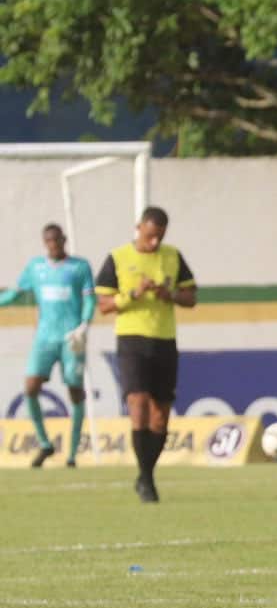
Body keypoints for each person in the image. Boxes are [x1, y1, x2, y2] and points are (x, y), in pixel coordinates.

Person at [94, 207, 197, 502]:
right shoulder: (118, 257)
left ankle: (145, 474)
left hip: (164, 340)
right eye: (150, 236)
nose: (154, 243)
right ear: (138, 227)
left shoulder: (173, 256)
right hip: (132, 340)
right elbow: (103, 305)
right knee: (138, 402)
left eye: (159, 237)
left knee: (161, 414)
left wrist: (170, 295)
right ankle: (147, 480)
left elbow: (191, 297)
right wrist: (133, 294)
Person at [0, 224, 97, 467]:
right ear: (45, 243)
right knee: (30, 387)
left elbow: (89, 298)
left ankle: (72, 455)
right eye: (49, 241)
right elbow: (15, 294)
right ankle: (45, 443)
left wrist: (85, 324)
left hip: (71, 337)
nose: (53, 245)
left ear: (64, 240)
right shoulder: (36, 268)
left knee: (75, 390)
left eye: (56, 240)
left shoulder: (79, 267)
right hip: (44, 337)